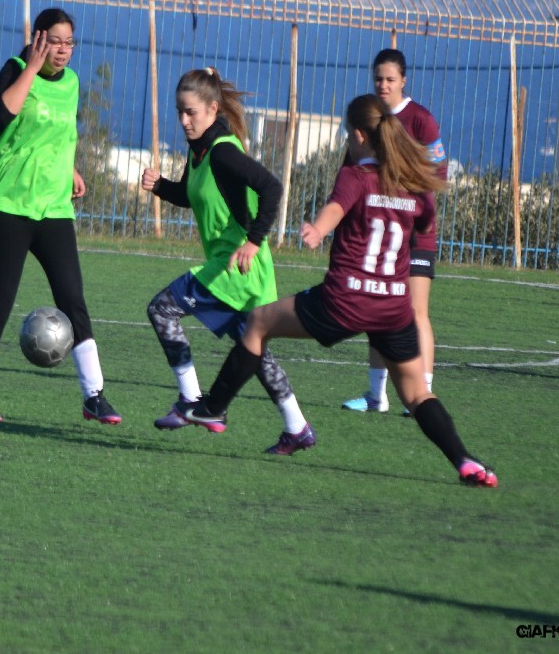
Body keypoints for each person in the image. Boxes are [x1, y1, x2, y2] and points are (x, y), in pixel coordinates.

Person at [182, 94, 497, 487]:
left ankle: (213, 407)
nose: (347, 141)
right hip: (392, 308)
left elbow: (336, 208)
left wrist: (318, 229)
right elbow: (424, 223)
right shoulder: (411, 185)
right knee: (417, 394)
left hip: (345, 300)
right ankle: (466, 461)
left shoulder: (356, 175)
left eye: (348, 134)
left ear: (361, 136)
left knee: (258, 324)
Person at [140, 67, 315, 455]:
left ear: (212, 109)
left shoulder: (223, 151)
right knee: (252, 349)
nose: (184, 121)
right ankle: (297, 427)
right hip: (240, 269)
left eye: (191, 112)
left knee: (162, 309)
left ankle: (190, 400)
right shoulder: (200, 150)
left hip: (237, 267)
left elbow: (272, 188)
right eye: (179, 111)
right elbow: (192, 195)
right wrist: (161, 186)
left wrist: (253, 241)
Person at [0, 7, 120, 424]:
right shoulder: (15, 69)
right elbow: (5, 114)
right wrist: (31, 67)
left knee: (73, 298)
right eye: (55, 42)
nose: (63, 50)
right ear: (38, 39)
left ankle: (94, 395)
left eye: (69, 43)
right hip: (9, 206)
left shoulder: (73, 83)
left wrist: (71, 169)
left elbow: (62, 134)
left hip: (54, 208)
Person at [342, 49, 447, 415]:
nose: (383, 85)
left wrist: (406, 199)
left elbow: (437, 174)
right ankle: (377, 396)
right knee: (378, 311)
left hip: (414, 233)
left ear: (404, 80)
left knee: (416, 312)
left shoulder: (421, 120)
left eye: (390, 79)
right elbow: (353, 169)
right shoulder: (369, 116)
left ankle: (423, 394)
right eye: (378, 79)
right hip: (379, 234)